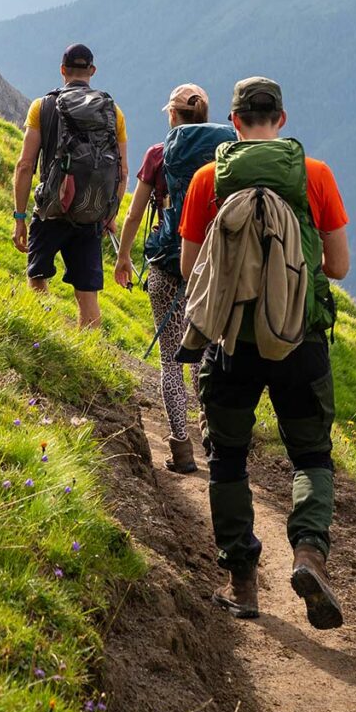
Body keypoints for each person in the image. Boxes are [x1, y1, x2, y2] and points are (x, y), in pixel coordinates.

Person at [178, 77, 350, 629]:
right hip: (299, 340)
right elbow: (340, 267)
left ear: (232, 122)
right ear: (281, 119)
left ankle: (243, 584)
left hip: (231, 342)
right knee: (310, 456)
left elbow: (188, 269)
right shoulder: (314, 176)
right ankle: (308, 554)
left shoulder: (209, 179)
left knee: (227, 458)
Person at [114, 83, 233, 474]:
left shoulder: (158, 155)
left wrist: (123, 256)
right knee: (206, 358)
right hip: (212, 270)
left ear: (173, 115)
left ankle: (181, 449)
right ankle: (214, 441)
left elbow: (133, 214)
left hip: (167, 265)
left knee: (171, 360)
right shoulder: (225, 156)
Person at [12, 44, 128, 329]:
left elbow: (25, 165)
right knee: (87, 294)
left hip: (51, 209)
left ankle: (42, 340)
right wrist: (109, 214)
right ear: (92, 71)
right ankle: (91, 358)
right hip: (91, 212)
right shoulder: (113, 111)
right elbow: (122, 171)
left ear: (62, 70)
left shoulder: (42, 106)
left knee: (37, 277)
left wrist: (19, 217)